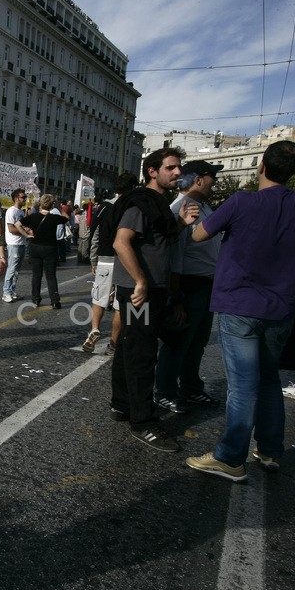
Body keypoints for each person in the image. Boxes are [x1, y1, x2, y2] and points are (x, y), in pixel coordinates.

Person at [185, 141, 295, 481]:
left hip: (239, 304)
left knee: (242, 386)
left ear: (261, 167)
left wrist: (188, 220)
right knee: (270, 379)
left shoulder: (241, 201)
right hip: (281, 307)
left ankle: (230, 458)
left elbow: (199, 236)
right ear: (294, 171)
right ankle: (270, 450)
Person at [108, 147, 199, 452]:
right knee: (142, 352)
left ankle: (123, 405)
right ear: (152, 171)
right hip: (140, 293)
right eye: (171, 168)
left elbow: (160, 240)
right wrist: (141, 280)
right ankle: (143, 422)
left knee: (128, 347)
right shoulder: (142, 202)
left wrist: (183, 222)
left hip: (150, 290)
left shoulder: (158, 204)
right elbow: (121, 242)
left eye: (179, 168)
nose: (178, 173)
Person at [153, 160, 225, 414]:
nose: (214, 181)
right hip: (188, 285)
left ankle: (191, 388)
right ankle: (165, 391)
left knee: (197, 342)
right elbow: (175, 256)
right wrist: (176, 297)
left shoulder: (203, 207)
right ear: (198, 179)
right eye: (211, 176)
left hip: (206, 285)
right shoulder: (179, 208)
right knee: (178, 341)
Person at [82, 173, 138, 355]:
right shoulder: (134, 208)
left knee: (98, 298)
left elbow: (95, 235)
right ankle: (113, 343)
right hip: (126, 260)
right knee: (119, 306)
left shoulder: (105, 208)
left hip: (105, 260)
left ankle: (95, 329)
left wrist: (93, 259)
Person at [21, 194, 68, 309]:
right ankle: (55, 301)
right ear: (52, 205)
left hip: (35, 247)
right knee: (51, 275)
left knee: (36, 275)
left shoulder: (33, 216)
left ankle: (36, 299)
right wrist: (59, 207)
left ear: (40, 204)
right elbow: (66, 217)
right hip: (50, 248)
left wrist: (26, 235)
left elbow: (17, 224)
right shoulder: (54, 217)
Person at [2, 188, 31, 302]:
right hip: (14, 243)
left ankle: (12, 291)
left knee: (17, 270)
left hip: (21, 243)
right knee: (12, 269)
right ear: (16, 199)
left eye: (25, 197)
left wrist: (26, 229)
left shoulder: (21, 211)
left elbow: (20, 227)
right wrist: (25, 232)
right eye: (23, 197)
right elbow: (11, 229)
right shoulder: (11, 211)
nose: (25, 199)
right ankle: (6, 292)